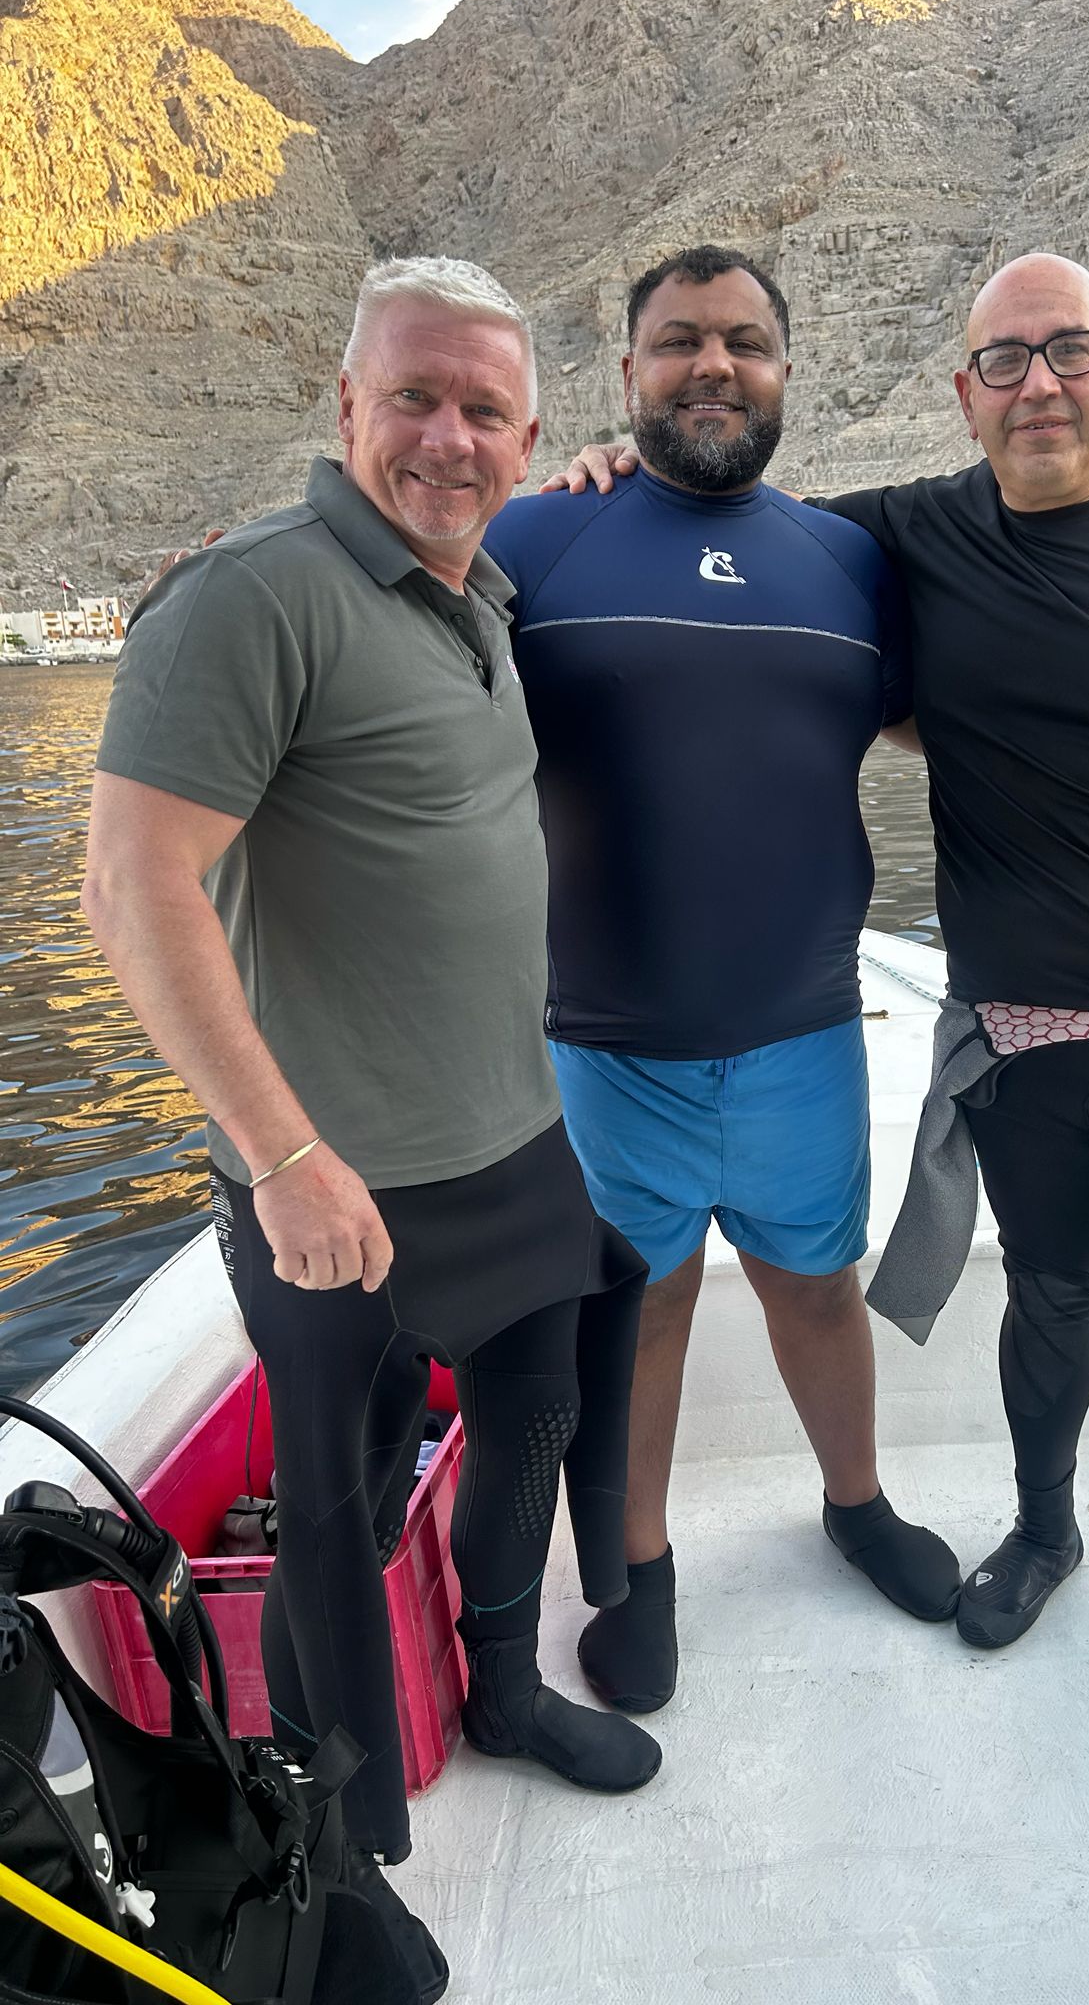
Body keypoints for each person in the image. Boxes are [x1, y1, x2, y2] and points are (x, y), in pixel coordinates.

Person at [553, 251, 1089, 1764]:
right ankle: (1039, 1537)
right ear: (965, 394)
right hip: (1028, 1035)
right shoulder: (902, 537)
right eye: (1004, 361)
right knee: (1046, 1306)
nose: (1038, 384)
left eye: (1068, 352)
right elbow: (719, 520)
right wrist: (620, 478)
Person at [83, 257, 660, 2003]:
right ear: (346, 406)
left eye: (486, 408)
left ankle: (502, 1684)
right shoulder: (251, 598)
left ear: (532, 434)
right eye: (414, 396)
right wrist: (281, 1155)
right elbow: (133, 884)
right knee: (330, 1498)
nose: (447, 435)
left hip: (511, 1133)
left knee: (538, 1410)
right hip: (338, 1186)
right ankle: (343, 1841)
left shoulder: (470, 594)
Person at [481, 244, 962, 1720]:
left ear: (784, 372)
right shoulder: (535, 541)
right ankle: (635, 1565)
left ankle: (855, 1502)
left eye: (743, 342)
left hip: (803, 1030)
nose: (712, 366)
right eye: (679, 340)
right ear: (625, 373)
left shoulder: (848, 560)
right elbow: (382, 649)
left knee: (816, 1290)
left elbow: (951, 723)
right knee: (645, 1311)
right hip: (606, 1043)